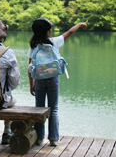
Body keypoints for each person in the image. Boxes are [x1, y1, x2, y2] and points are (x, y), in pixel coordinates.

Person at [27, 17, 87, 146]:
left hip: (39, 80)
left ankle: (39, 138)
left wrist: (31, 83)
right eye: (51, 29)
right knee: (53, 109)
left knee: (39, 108)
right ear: (48, 32)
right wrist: (79, 24)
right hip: (53, 79)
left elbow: (30, 66)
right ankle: (53, 139)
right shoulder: (54, 42)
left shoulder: (34, 45)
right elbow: (70, 32)